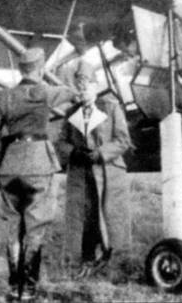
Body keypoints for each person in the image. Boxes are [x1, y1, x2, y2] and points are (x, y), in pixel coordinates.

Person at [0, 47, 77, 302]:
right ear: (41, 67)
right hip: (39, 165)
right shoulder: (46, 92)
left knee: (13, 228)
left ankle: (15, 287)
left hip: (9, 167)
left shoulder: (3, 97)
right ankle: (31, 289)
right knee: (35, 228)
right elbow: (71, 93)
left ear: (20, 69)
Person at [58, 60, 132, 278]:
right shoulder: (72, 112)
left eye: (86, 84)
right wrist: (74, 152)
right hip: (82, 174)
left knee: (111, 216)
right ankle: (88, 259)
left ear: (95, 86)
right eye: (79, 85)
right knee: (86, 217)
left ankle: (114, 260)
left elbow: (123, 140)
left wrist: (101, 153)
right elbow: (61, 142)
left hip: (108, 172)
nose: (82, 89)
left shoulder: (111, 107)